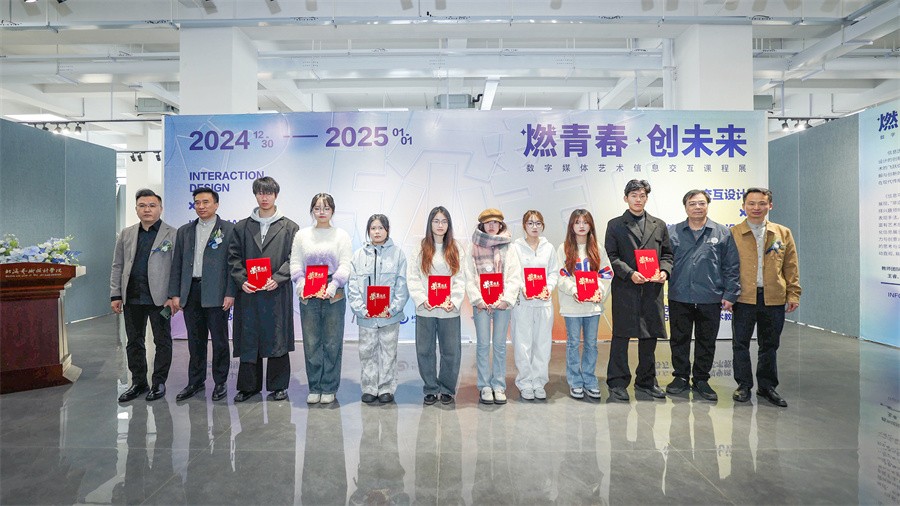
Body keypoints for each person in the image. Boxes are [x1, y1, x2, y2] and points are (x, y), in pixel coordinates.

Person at [227, 176, 300, 403]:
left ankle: (279, 386)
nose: (264, 197)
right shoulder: (242, 226)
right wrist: (242, 280)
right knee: (249, 338)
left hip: (276, 292)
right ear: (255, 195)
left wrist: (278, 278)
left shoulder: (290, 227)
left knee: (277, 337)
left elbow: (294, 258)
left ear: (276, 195)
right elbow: (233, 258)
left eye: (268, 193)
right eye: (260, 193)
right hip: (249, 293)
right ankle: (248, 387)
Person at [666, 189, 740, 401]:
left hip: (710, 297)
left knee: (706, 341)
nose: (697, 207)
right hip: (680, 296)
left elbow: (731, 266)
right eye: (692, 204)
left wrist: (730, 294)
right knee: (679, 339)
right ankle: (680, 377)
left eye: (701, 203)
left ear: (707, 205)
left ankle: (701, 379)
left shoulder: (722, 232)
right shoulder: (673, 232)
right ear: (685, 207)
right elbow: (665, 260)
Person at [730, 187, 800, 407]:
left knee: (769, 344)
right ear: (744, 206)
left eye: (762, 203)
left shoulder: (782, 233)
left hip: (774, 297)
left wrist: (793, 293)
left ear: (770, 205)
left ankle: (767, 387)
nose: (756, 208)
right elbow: (727, 267)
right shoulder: (733, 233)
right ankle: (743, 385)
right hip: (744, 297)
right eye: (751, 203)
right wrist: (728, 294)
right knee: (740, 343)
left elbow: (791, 265)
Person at [605, 179, 674, 401]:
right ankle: (617, 382)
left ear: (646, 198)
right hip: (626, 288)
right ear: (626, 198)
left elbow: (667, 254)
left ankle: (646, 381)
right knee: (621, 336)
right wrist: (629, 273)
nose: (638, 199)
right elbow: (611, 256)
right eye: (634, 195)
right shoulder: (615, 225)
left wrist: (664, 271)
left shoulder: (659, 224)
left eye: (642, 195)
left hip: (652, 289)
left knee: (649, 336)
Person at [168, 187, 236, 402]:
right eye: (197, 202)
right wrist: (175, 293)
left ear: (216, 204)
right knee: (195, 341)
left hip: (217, 293)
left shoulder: (229, 230)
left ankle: (220, 382)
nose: (201, 206)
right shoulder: (184, 231)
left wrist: (230, 292)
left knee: (220, 341)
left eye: (206, 202)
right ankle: (195, 382)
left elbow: (233, 265)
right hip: (191, 292)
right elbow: (177, 264)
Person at [110, 188, 177, 402]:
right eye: (142, 206)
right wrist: (115, 294)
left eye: (152, 205)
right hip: (132, 297)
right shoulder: (127, 234)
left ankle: (159, 383)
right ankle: (138, 383)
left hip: (161, 300)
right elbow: (117, 265)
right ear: (136, 209)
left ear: (160, 208)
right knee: (134, 342)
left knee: (162, 341)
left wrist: (173, 296)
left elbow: (177, 268)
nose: (147, 209)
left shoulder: (172, 234)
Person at [290, 193, 352, 405]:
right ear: (312, 211)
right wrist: (301, 284)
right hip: (308, 291)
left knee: (332, 342)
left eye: (326, 208)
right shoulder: (302, 235)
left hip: (334, 291)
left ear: (332, 210)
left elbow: (345, 264)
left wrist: (334, 285)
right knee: (311, 341)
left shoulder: (341, 235)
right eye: (317, 208)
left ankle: (329, 387)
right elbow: (295, 262)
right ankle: (315, 386)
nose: (321, 212)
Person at [347, 214, 409, 404]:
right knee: (367, 352)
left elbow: (402, 284)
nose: (377, 232)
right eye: (373, 228)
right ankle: (369, 388)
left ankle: (386, 388)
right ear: (368, 231)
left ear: (387, 230)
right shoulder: (358, 256)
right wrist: (361, 309)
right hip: (366, 316)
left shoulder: (398, 254)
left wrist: (393, 308)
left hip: (389, 315)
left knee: (389, 352)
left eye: (380, 228)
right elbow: (352, 285)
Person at [407, 206, 466, 406]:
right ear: (430, 224)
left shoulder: (455, 248)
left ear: (449, 224)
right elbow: (412, 276)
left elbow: (461, 277)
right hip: (426, 308)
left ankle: (447, 389)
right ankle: (431, 388)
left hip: (449, 309)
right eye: (436, 221)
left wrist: (454, 300)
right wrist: (422, 298)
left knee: (451, 351)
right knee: (425, 350)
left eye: (444, 221)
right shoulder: (421, 247)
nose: (440, 225)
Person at [464, 208, 522, 405]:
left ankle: (498, 385)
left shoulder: (509, 246)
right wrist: (478, 299)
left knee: (499, 345)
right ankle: (484, 386)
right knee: (482, 345)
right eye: (488, 222)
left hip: (502, 303)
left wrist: (506, 299)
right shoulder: (472, 246)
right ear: (482, 225)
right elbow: (469, 275)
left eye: (495, 222)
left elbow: (514, 275)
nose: (491, 225)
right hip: (481, 304)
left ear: (500, 225)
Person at [557, 209, 612, 400]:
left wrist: (599, 291)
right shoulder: (563, 248)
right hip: (572, 306)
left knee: (591, 344)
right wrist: (574, 290)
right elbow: (561, 275)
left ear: (591, 226)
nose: (581, 226)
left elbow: (606, 273)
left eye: (585, 222)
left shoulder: (598, 248)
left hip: (592, 307)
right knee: (573, 344)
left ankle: (589, 379)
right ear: (571, 226)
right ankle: (575, 381)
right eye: (577, 222)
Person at [510, 210, 559, 401]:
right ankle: (524, 382)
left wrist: (548, 287)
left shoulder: (549, 248)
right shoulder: (516, 248)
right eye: (530, 223)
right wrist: (524, 288)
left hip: (544, 303)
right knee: (523, 345)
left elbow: (553, 272)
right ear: (524, 226)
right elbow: (513, 273)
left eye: (538, 223)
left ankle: (539, 382)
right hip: (523, 303)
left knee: (542, 344)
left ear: (543, 226)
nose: (534, 227)